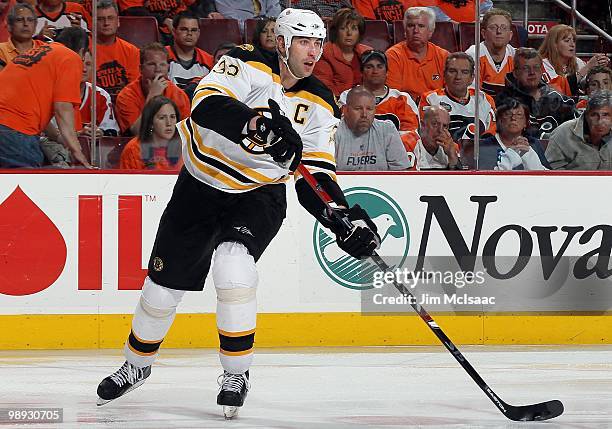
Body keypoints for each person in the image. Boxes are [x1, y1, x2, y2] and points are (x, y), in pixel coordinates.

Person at [96, 8, 380, 419]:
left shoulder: (320, 101)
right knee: (163, 287)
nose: (313, 51)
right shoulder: (244, 63)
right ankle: (136, 365)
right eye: (303, 41)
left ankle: (236, 373)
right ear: (281, 42)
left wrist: (339, 216)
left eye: (319, 43)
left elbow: (316, 175)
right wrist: (254, 125)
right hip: (201, 184)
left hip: (258, 193)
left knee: (233, 266)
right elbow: (205, 103)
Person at [0, 27, 91, 168]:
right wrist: (76, 150)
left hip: (7, 126)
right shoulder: (70, 57)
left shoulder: (39, 52)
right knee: (26, 186)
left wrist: (58, 137)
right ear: (81, 51)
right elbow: (62, 108)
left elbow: (32, 106)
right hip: (14, 133)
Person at [338, 49, 419, 146]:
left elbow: (411, 134)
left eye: (379, 66)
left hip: (394, 154)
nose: (375, 71)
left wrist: (385, 148)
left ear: (387, 72)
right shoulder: (347, 97)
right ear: (361, 73)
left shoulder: (402, 99)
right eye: (369, 67)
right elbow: (344, 130)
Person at [496, 47, 578, 138]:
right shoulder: (504, 100)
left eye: (536, 67)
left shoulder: (558, 100)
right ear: (515, 73)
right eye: (526, 68)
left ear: (541, 70)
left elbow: (576, 130)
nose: (532, 73)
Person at [115, 42, 190, 135]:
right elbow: (137, 132)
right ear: (141, 69)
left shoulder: (179, 95)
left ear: (168, 68)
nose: (158, 69)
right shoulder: (126, 96)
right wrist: (153, 96)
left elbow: (185, 134)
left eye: (162, 64)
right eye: (152, 64)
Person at [419, 52, 496, 141]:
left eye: (464, 72)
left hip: (480, 153)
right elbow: (429, 136)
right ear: (444, 75)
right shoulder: (431, 99)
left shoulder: (485, 100)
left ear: (472, 78)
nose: (458, 77)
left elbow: (492, 137)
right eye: (452, 71)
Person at [335, 86, 412, 170]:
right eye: (358, 109)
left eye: (369, 109)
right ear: (345, 110)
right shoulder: (333, 131)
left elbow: (402, 173)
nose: (364, 114)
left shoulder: (387, 130)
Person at [385, 7, 449, 103]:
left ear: (430, 32)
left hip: (437, 108)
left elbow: (450, 94)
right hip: (405, 110)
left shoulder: (443, 56)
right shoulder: (393, 56)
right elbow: (393, 97)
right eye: (411, 26)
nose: (416, 31)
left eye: (421, 26)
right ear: (405, 31)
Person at [545, 90, 612, 170]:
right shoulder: (563, 133)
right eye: (594, 115)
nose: (600, 121)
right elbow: (551, 171)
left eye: (605, 115)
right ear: (586, 115)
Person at [538, 24, 610, 96]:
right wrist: (587, 67)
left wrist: (598, 69)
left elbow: (587, 85)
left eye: (574, 41)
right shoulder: (543, 64)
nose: (572, 44)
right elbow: (557, 90)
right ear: (554, 44)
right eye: (567, 41)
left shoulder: (578, 62)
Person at [314, 8, 371, 97]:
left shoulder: (368, 53)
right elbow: (324, 89)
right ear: (336, 31)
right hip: (335, 104)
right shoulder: (324, 53)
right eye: (343, 28)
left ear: (360, 32)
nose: (349, 33)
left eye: (354, 29)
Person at [479, 99, 549, 170]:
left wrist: (529, 155)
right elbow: (487, 177)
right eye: (508, 114)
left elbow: (548, 175)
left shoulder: (533, 143)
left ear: (526, 122)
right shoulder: (487, 145)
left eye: (519, 114)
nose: (513, 118)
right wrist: (512, 152)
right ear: (499, 120)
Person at [120, 96, 182, 169]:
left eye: (172, 117)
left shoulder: (185, 147)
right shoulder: (133, 149)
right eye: (162, 118)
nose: (169, 123)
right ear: (151, 122)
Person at [95, 0, 140, 100]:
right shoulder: (85, 49)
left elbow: (134, 88)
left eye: (110, 18)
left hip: (124, 102)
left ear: (118, 21)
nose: (106, 23)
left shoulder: (132, 51)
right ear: (93, 22)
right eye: (100, 19)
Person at [465, 8, 516, 96]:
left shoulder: (516, 56)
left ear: (510, 35)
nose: (499, 32)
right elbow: (471, 94)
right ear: (483, 33)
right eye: (493, 27)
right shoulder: (473, 54)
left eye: (504, 28)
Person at [167, 12, 214, 90]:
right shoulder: (161, 57)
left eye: (194, 30)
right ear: (174, 31)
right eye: (184, 29)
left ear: (199, 33)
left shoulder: (209, 61)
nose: (189, 33)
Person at [0, 3, 46, 71]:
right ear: (9, 26)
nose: (25, 24)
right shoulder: (1, 50)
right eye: (19, 20)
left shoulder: (46, 50)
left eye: (30, 20)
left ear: (35, 26)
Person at [202, 0, 281, 30]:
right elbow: (235, 25)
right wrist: (260, 30)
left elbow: (274, 10)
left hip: (271, 31)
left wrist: (270, 28)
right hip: (245, 37)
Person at [280, 0, 353, 18]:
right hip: (302, 29)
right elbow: (285, 15)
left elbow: (351, 11)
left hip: (334, 29)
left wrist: (337, 19)